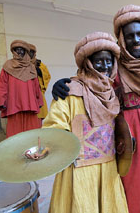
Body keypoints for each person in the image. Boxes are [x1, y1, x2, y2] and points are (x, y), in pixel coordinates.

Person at [52, 5, 140, 213]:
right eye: (129, 36)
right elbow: (93, 83)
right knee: (138, 195)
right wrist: (69, 82)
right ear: (121, 39)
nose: (136, 40)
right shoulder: (115, 71)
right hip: (133, 144)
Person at [42, 32, 128, 213]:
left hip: (108, 168)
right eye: (98, 61)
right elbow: (54, 127)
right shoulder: (69, 92)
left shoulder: (112, 93)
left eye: (108, 61)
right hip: (78, 172)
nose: (104, 66)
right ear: (87, 63)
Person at [0, 40, 43, 138]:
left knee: (32, 134)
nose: (19, 52)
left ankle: (32, 152)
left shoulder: (31, 67)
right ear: (13, 51)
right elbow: (2, 85)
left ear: (25, 51)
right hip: (14, 104)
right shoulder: (7, 66)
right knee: (15, 135)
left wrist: (39, 101)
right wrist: (2, 101)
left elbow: (36, 86)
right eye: (16, 50)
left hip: (30, 105)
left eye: (21, 50)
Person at [28, 43, 51, 125]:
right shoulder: (22, 65)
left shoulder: (40, 64)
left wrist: (40, 72)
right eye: (29, 52)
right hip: (27, 95)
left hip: (39, 94)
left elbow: (48, 76)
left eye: (32, 52)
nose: (30, 54)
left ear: (35, 53)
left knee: (39, 116)